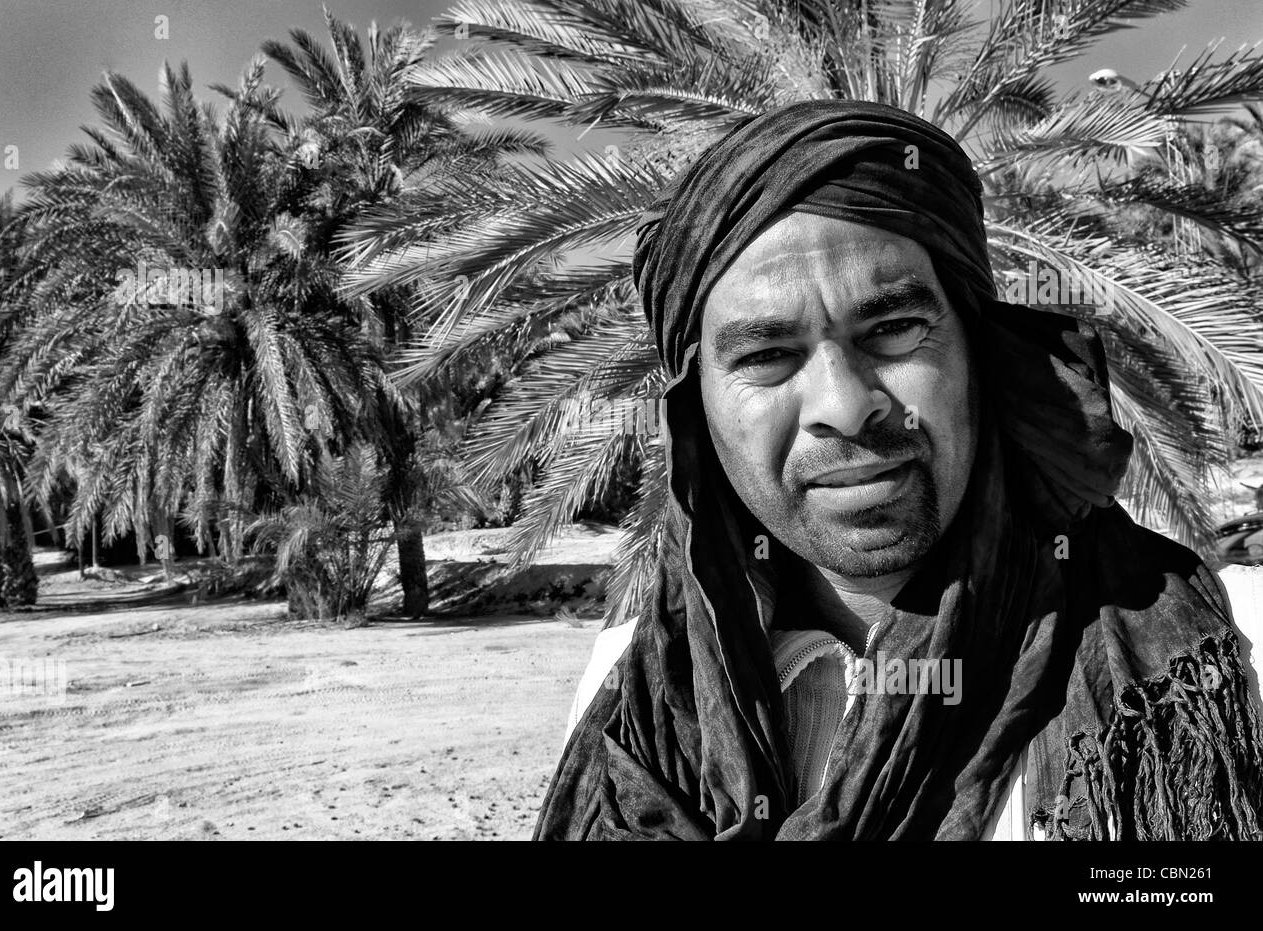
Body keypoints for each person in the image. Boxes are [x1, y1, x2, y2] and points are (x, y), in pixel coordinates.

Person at [534, 99, 1263, 841]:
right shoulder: (630, 700)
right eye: (766, 356)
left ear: (982, 351)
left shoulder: (1201, 659)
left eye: (894, 329)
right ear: (699, 417)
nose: (846, 406)